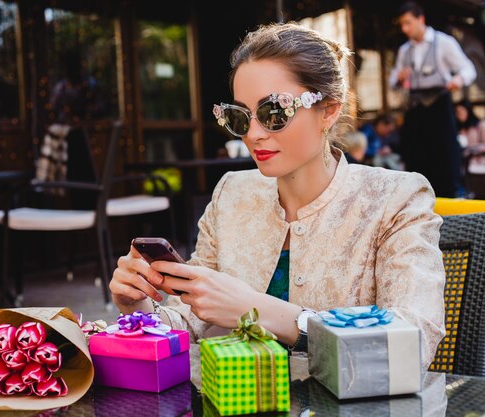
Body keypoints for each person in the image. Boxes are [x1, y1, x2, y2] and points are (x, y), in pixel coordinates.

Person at [109, 22, 445, 372]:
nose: (253, 135)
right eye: (240, 117)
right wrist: (139, 307)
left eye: (274, 112)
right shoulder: (231, 193)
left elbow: (414, 342)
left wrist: (256, 310)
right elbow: (188, 318)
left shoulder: (395, 199)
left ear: (328, 110)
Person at [390, 2, 476, 197]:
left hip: (439, 105)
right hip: (416, 108)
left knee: (444, 157)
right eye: (402, 25)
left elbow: (468, 69)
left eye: (408, 23)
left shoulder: (443, 42)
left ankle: (449, 199)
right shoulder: (405, 50)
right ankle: (419, 200)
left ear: (421, 19)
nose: (405, 29)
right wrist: (399, 77)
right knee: (416, 158)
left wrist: (458, 79)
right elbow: (393, 80)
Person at [455, 98, 485, 174]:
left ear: (468, 111)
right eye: (457, 112)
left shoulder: (480, 125)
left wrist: (470, 149)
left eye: (461, 111)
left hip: (479, 163)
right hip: (461, 166)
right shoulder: (457, 128)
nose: (459, 115)